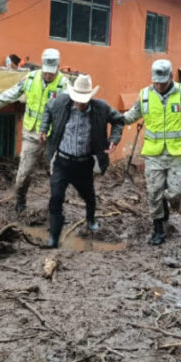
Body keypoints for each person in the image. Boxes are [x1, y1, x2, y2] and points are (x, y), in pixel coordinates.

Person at [123, 59, 181, 245]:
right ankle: (158, 229)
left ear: (170, 77)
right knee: (154, 192)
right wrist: (112, 117)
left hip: (177, 153)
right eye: (156, 81)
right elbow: (131, 115)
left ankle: (169, 205)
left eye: (163, 81)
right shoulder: (144, 95)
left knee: (177, 192)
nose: (159, 85)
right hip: (154, 154)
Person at [38, 74, 124, 248]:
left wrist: (114, 139)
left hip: (84, 163)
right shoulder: (62, 102)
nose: (80, 104)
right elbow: (47, 109)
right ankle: (54, 238)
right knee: (56, 197)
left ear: (90, 97)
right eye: (77, 100)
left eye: (83, 101)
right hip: (62, 161)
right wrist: (43, 128)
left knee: (89, 196)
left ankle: (91, 219)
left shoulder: (101, 108)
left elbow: (119, 121)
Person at [0, 48, 69, 214]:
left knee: (57, 175)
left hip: (53, 137)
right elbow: (13, 92)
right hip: (31, 133)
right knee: (24, 174)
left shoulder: (63, 85)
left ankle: (56, 207)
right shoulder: (30, 78)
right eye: (46, 72)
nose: (49, 75)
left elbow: (72, 108)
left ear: (58, 68)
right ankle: (20, 200)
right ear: (42, 67)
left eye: (52, 72)